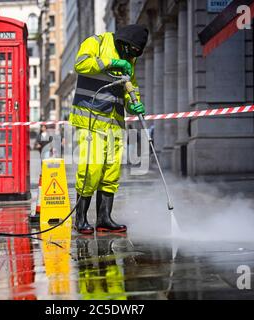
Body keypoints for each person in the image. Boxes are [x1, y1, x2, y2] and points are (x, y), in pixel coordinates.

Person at [70, 24, 148, 234]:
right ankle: (80, 219)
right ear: (124, 43)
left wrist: (134, 104)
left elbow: (130, 87)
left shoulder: (129, 59)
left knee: (111, 171)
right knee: (91, 168)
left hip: (114, 121)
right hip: (91, 118)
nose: (130, 57)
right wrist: (111, 62)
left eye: (134, 55)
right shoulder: (96, 42)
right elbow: (80, 64)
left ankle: (104, 218)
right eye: (129, 52)